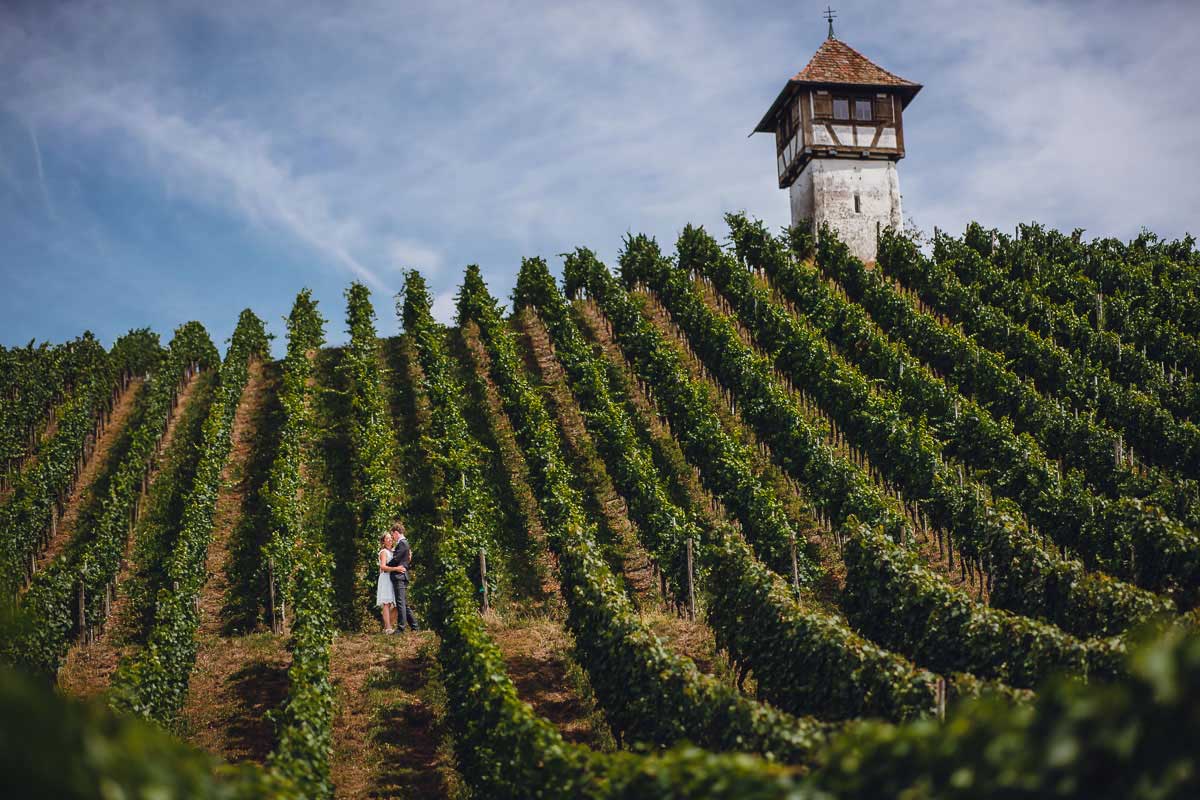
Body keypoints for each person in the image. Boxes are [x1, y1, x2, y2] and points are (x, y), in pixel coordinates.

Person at [387, 521, 420, 632]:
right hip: (401, 576)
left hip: (399, 576)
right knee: (404, 603)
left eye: (393, 535)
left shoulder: (402, 543)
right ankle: (415, 626)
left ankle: (401, 628)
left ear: (396, 533)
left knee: (400, 603)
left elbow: (396, 559)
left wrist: (386, 566)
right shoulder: (403, 543)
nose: (393, 537)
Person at [376, 531, 399, 634]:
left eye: (391, 538)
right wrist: (396, 569)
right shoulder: (384, 552)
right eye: (387, 538)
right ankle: (388, 628)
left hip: (393, 578)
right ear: (383, 541)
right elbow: (383, 567)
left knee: (397, 605)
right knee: (387, 603)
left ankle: (386, 627)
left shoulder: (393, 551)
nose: (390, 540)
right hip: (386, 578)